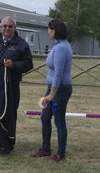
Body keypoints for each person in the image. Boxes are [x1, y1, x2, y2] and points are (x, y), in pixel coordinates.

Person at [0, 16, 33, 151]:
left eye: (10, 26)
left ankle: (7, 143)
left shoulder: (21, 44)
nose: (7, 29)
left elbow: (28, 64)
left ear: (15, 28)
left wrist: (14, 64)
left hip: (11, 86)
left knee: (9, 113)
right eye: (5, 26)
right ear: (0, 27)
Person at [30, 19, 72, 162]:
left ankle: (60, 154)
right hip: (53, 88)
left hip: (59, 90)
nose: (47, 32)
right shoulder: (59, 45)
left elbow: (59, 73)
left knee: (59, 121)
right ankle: (46, 149)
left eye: (49, 29)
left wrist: (52, 95)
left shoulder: (61, 48)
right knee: (45, 117)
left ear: (54, 30)